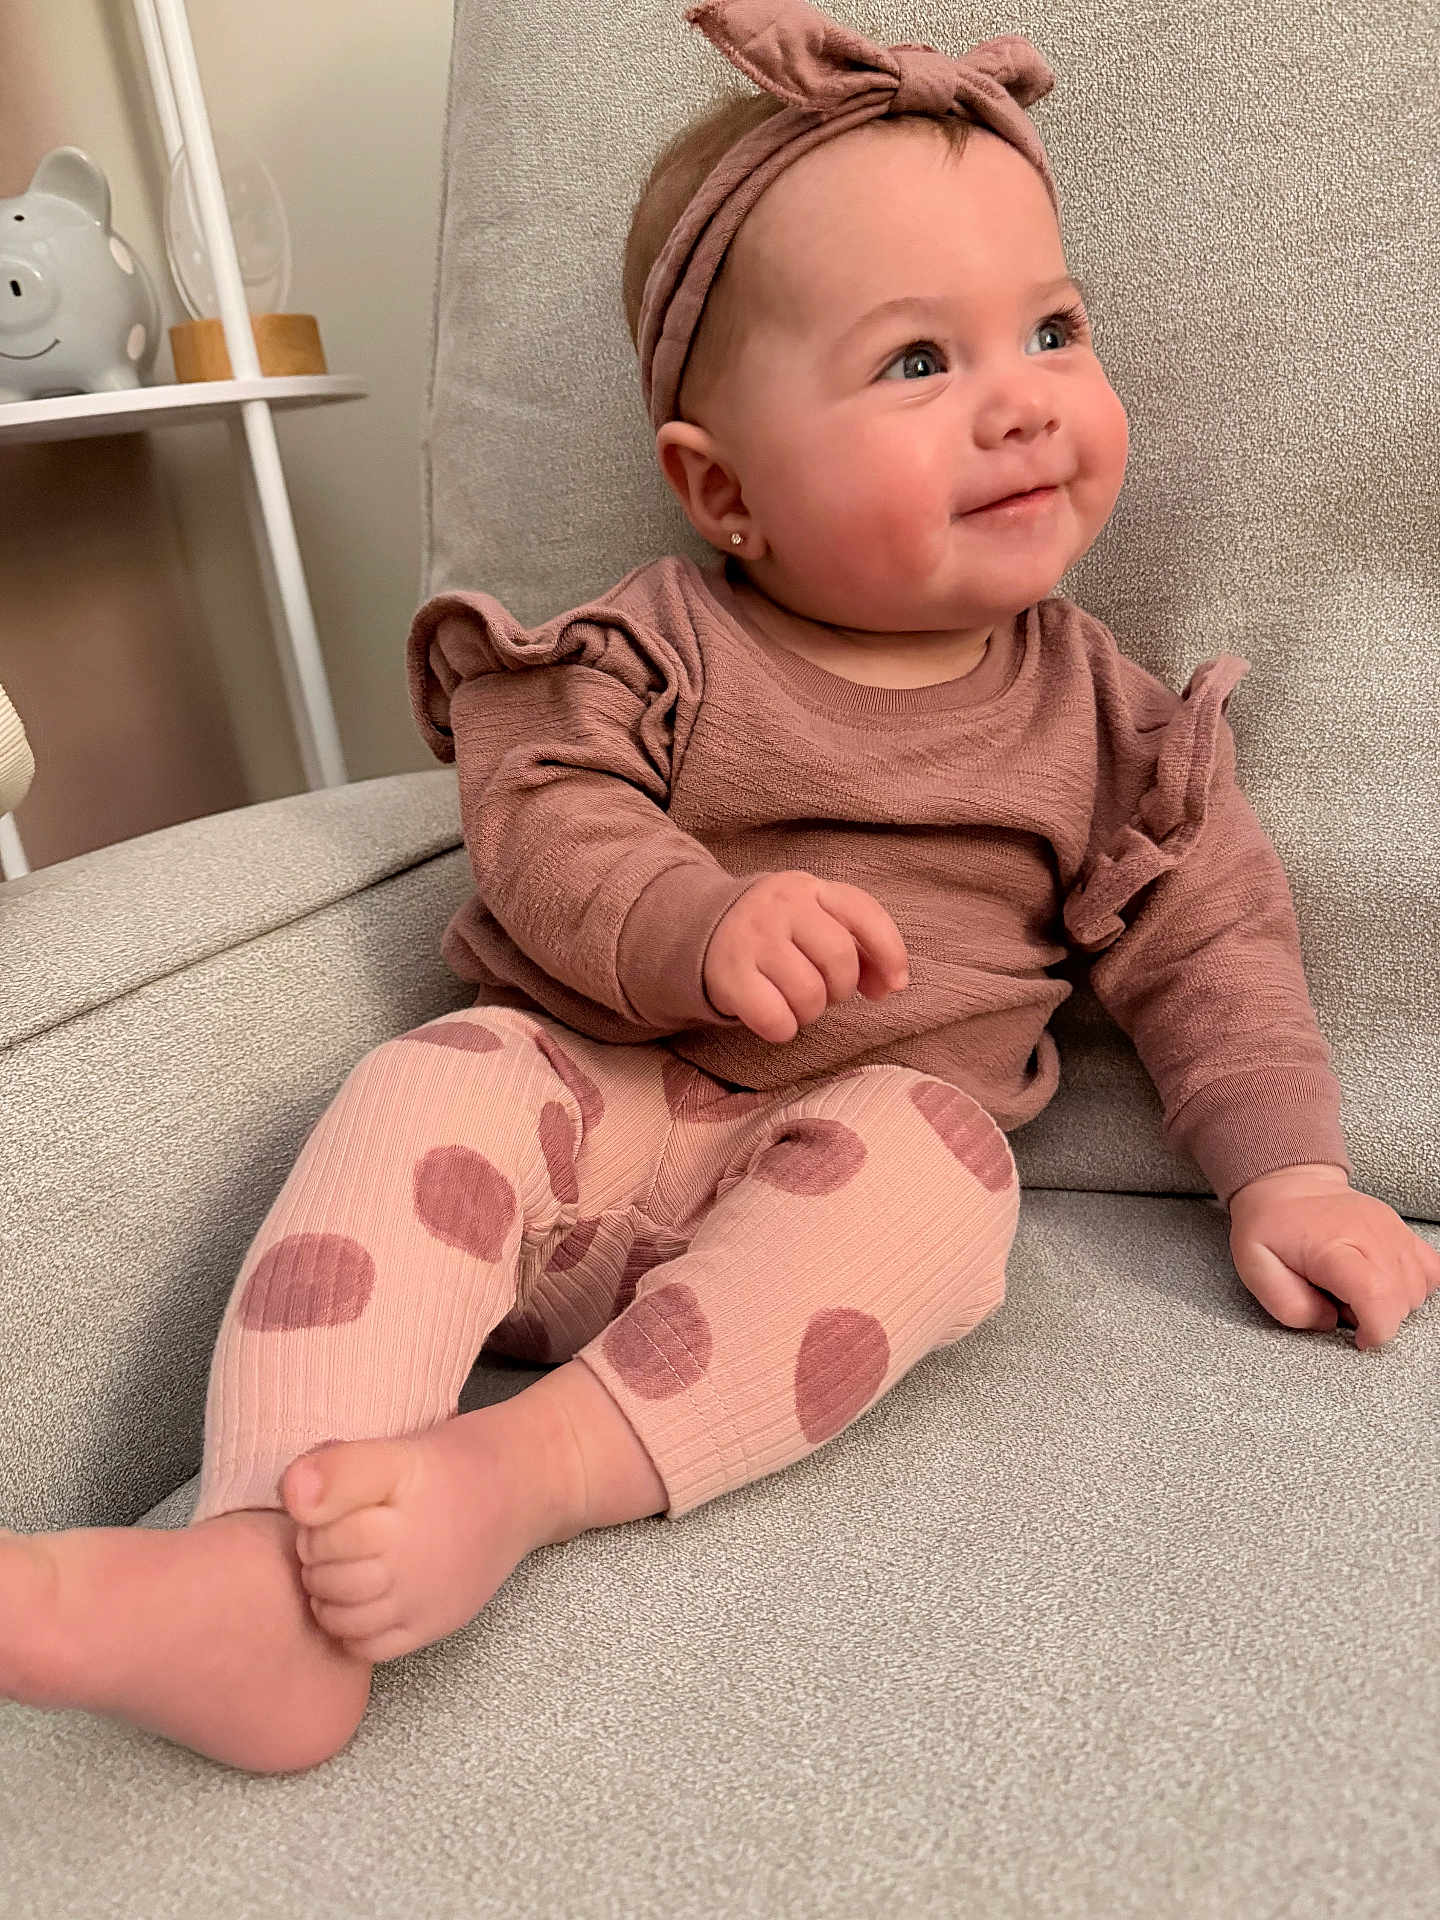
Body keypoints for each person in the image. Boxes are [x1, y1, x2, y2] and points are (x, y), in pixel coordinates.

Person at [3, 0, 1435, 1776]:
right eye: (918, 361)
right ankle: (254, 1574)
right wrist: (700, 920)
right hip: (592, 1130)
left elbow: (1211, 944)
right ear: (722, 489)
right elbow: (542, 818)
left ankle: (517, 1478)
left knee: (946, 1167)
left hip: (823, 1194)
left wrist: (1289, 1171)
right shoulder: (655, 646)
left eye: (1054, 330)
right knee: (437, 1075)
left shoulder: (1100, 715)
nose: (1021, 401)